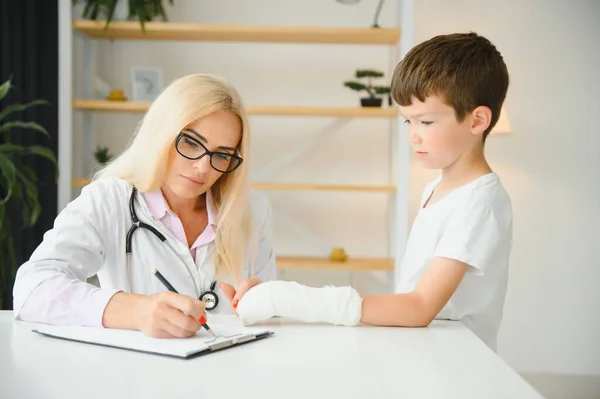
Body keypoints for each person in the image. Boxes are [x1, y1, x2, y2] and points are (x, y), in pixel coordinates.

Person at [234, 32, 513, 352]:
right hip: (428, 351)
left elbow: (421, 306)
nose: (413, 136)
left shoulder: (479, 203)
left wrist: (291, 300)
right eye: (408, 121)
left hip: (458, 361)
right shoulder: (438, 188)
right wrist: (277, 297)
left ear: (477, 120)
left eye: (426, 122)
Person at [12, 73, 277, 339]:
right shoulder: (108, 201)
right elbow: (31, 289)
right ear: (162, 133)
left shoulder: (254, 211)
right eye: (190, 142)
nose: (202, 167)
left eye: (221, 155)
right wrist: (135, 311)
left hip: (228, 371)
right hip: (138, 375)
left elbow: (271, 318)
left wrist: (267, 302)